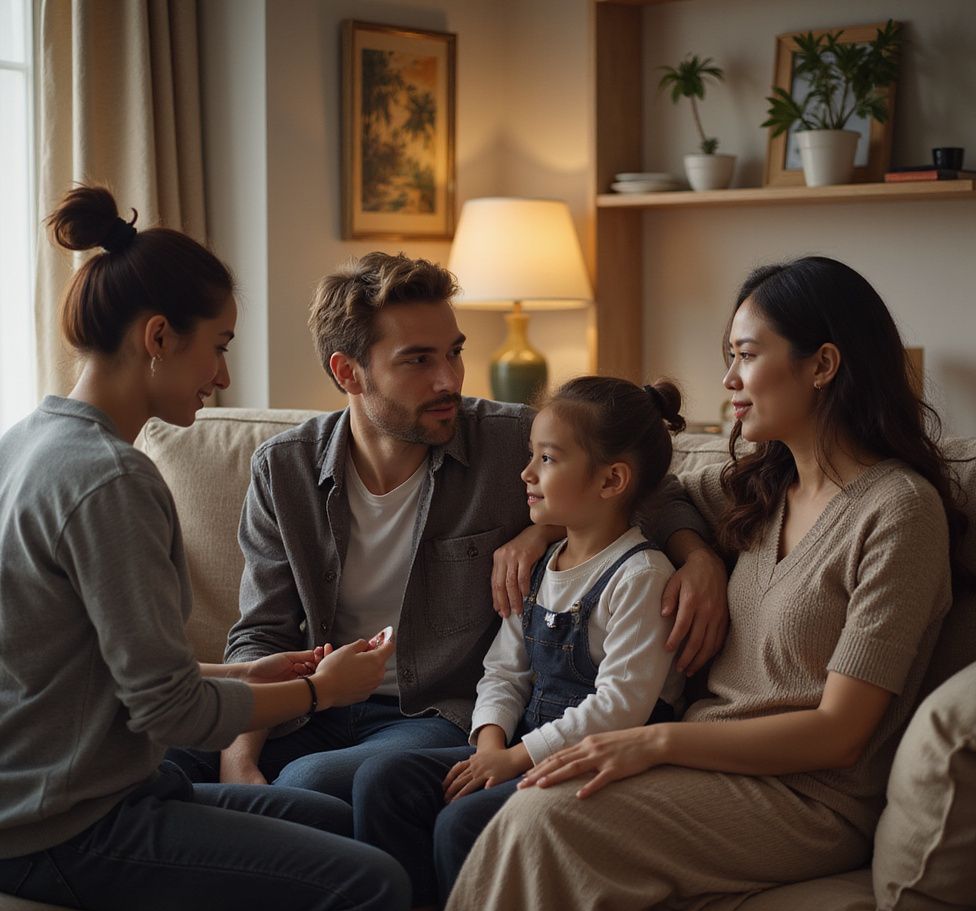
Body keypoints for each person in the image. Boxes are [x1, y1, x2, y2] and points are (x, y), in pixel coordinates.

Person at [412, 255, 971, 911]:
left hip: (808, 798)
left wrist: (656, 745)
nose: (730, 379)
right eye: (728, 358)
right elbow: (635, 481)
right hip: (703, 763)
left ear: (823, 365)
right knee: (498, 803)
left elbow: (841, 735)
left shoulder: (898, 514)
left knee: (541, 817)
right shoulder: (759, 486)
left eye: (746, 355)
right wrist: (697, 555)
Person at [0, 185, 411, 911]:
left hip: (62, 793)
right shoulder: (110, 479)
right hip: (66, 826)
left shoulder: (27, 441)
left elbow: (95, 662)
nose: (224, 376)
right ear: (158, 337)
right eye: (217, 347)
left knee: (331, 813)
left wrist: (247, 670)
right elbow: (167, 709)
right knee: (371, 887)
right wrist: (321, 693)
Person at [167, 252, 729, 803]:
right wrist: (237, 759)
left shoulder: (509, 439)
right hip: (307, 708)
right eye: (418, 360)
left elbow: (647, 485)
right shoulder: (283, 469)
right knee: (144, 758)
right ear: (348, 372)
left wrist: (696, 557)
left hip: (429, 715)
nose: (449, 379)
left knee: (307, 785)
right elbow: (261, 633)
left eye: (454, 353)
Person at [352, 374, 690, 911]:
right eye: (532, 454)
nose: (526, 473)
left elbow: (620, 708)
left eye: (548, 458)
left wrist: (513, 760)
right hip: (517, 750)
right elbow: (504, 672)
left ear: (611, 481)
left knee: (460, 823)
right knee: (383, 782)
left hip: (592, 762)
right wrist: (488, 743)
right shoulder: (540, 564)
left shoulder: (640, 576)